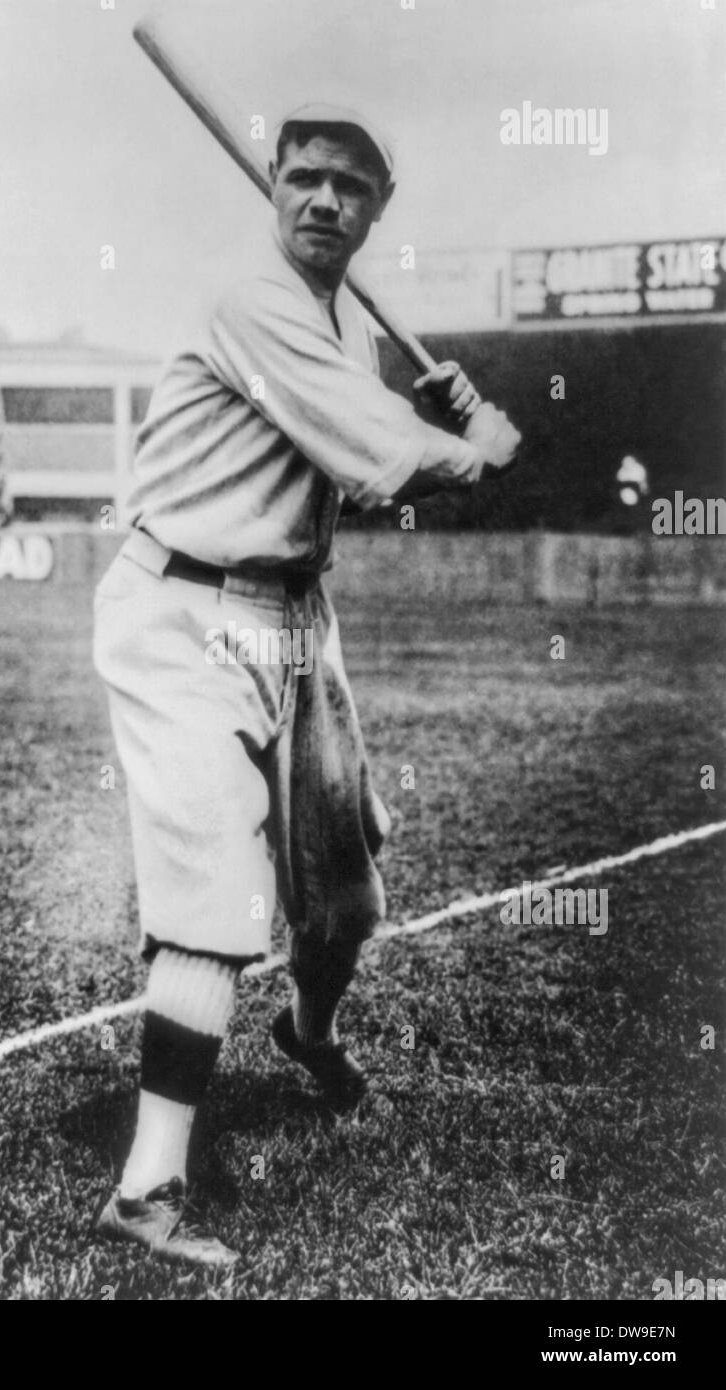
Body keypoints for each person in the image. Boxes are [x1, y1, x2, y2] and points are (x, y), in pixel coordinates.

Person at [91, 103, 521, 1268]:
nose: (325, 201)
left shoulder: (344, 326)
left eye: (351, 188)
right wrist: (468, 446)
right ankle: (148, 1185)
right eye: (307, 179)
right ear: (273, 184)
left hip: (290, 613)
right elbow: (372, 452)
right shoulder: (253, 301)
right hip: (182, 609)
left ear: (381, 208)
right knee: (217, 896)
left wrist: (408, 413)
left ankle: (305, 1032)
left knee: (348, 896)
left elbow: (364, 441)